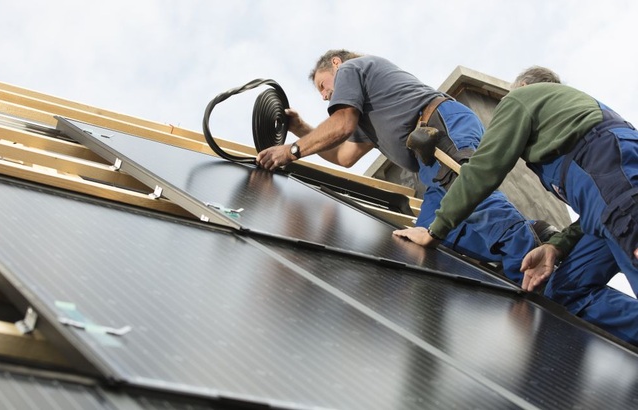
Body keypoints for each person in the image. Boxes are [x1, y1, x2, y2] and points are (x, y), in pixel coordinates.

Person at [256, 49, 556, 285]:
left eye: (323, 85)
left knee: (467, 191)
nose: (323, 95)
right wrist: (300, 129)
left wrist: (292, 151)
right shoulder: (366, 116)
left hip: (439, 127)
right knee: (429, 238)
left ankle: (533, 262)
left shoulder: (351, 69)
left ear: (335, 64)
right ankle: (531, 235)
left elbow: (341, 123)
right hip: (427, 162)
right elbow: (343, 156)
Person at [394, 66, 638, 344]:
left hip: (623, 208)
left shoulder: (521, 99)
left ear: (521, 86)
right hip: (610, 213)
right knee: (565, 291)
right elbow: (599, 210)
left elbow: (483, 168)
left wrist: (435, 230)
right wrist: (555, 246)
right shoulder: (576, 130)